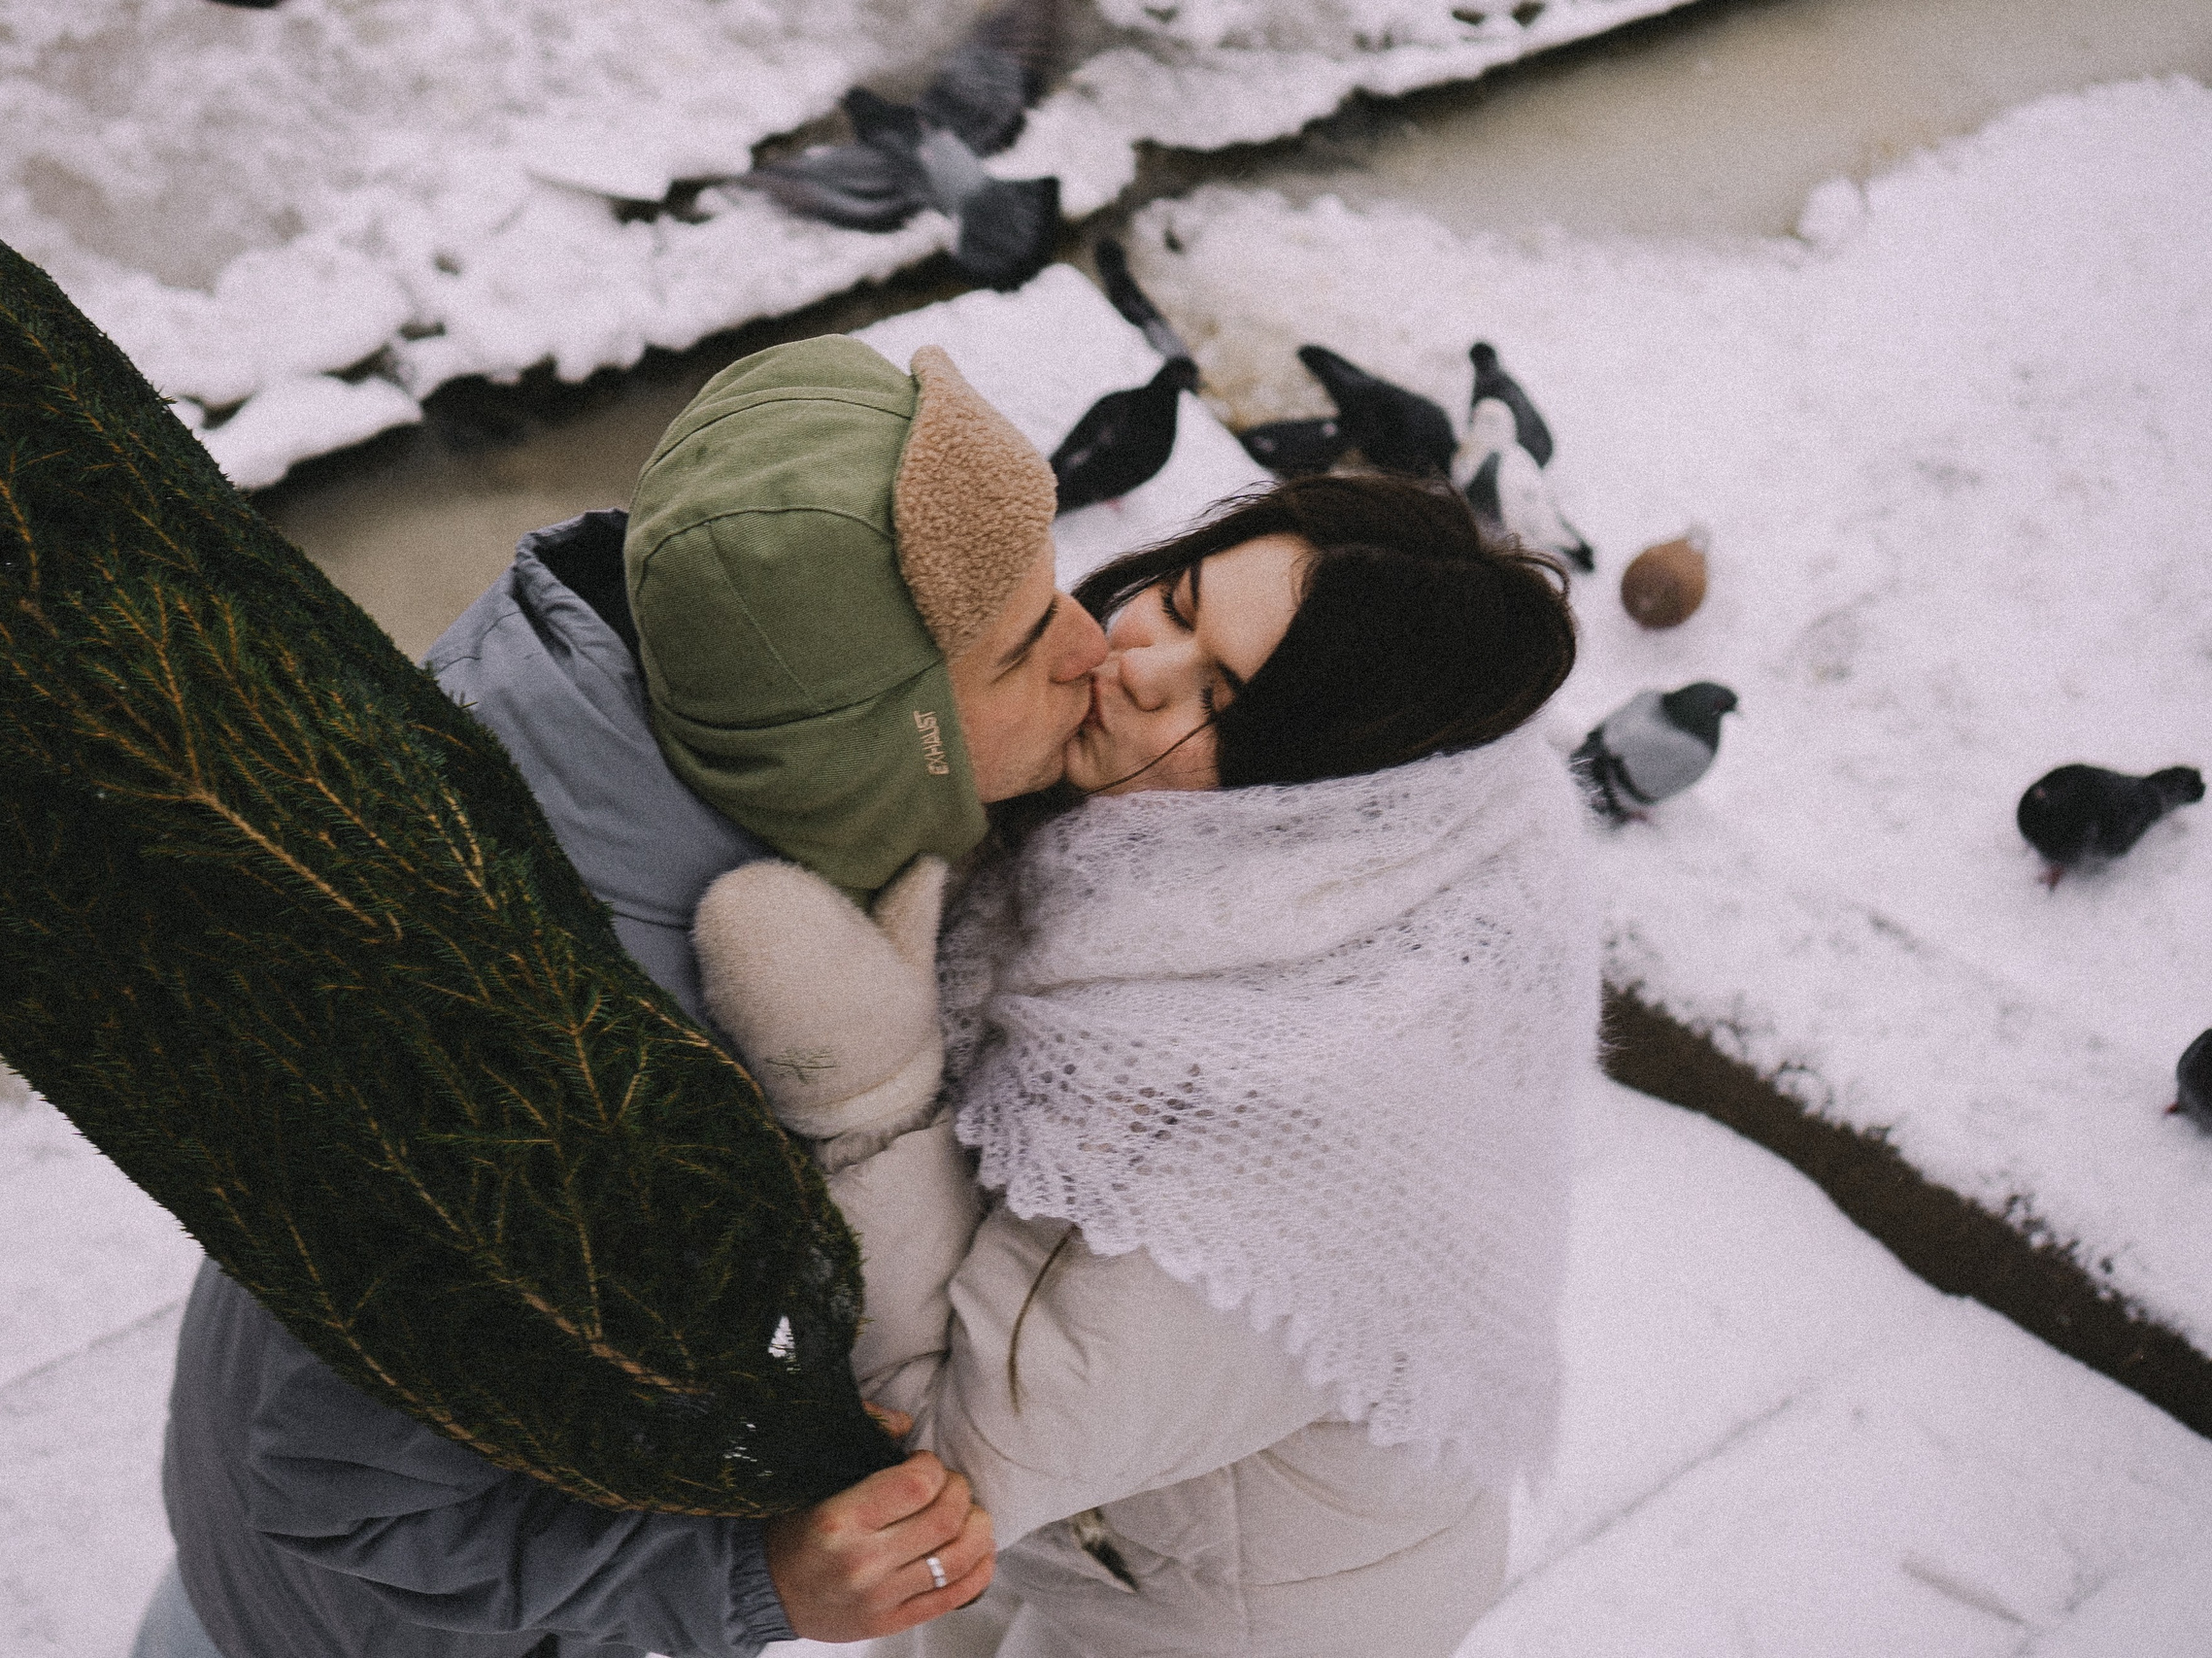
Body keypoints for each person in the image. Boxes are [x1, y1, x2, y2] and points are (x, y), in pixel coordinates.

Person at [138, 334, 1108, 1658]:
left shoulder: (580, 736)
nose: (1098, 650)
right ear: (872, 750)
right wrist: (753, 1579)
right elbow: (353, 1516)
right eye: (1025, 648)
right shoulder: (545, 1070)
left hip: (244, 1519)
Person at [688, 470, 1599, 1658]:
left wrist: (862, 1094)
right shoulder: (1403, 824)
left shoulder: (1236, 1113)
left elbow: (949, 1461)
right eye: (1171, 602)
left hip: (1231, 1618)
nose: (1137, 664)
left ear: (1314, 783)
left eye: (1218, 696)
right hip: (1134, 1513)